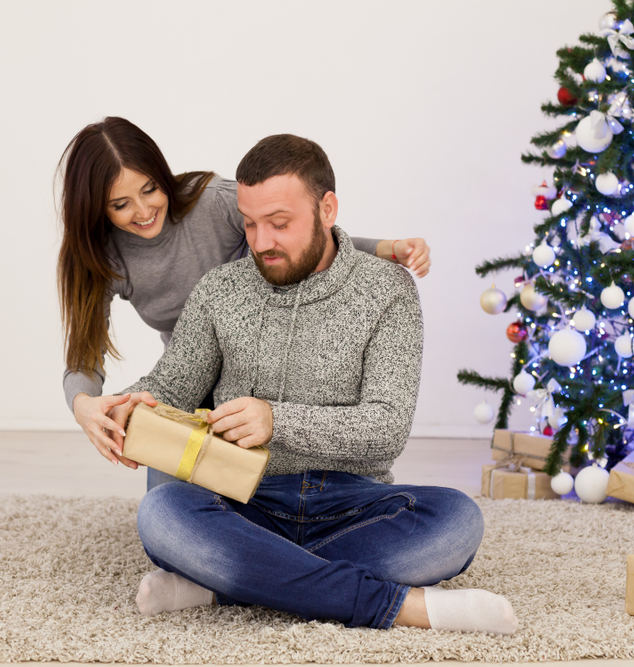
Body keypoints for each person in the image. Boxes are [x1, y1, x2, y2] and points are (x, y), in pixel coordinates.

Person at [105, 134, 518, 635]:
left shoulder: (387, 289)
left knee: (456, 522)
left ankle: (223, 581)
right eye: (250, 224)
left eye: (279, 224)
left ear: (328, 208)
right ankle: (395, 605)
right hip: (243, 500)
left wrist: (277, 421)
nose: (261, 242)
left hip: (353, 503)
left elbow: (386, 428)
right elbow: (171, 384)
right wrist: (134, 405)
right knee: (163, 514)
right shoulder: (220, 289)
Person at [57, 117, 431, 473]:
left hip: (253, 371)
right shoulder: (107, 259)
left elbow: (305, 236)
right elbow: (98, 358)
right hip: (189, 377)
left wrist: (385, 248)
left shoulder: (215, 202)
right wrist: (92, 408)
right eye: (120, 205)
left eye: (150, 189)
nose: (143, 211)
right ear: (97, 210)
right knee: (165, 508)